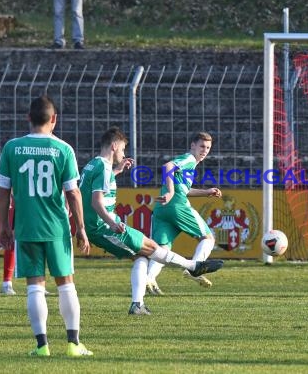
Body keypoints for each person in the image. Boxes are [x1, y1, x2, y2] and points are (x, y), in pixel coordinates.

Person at [79, 127, 223, 315]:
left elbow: (83, 191)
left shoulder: (93, 165)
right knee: (159, 248)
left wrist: (117, 171)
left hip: (101, 225)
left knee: (145, 254)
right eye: (122, 149)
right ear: (114, 146)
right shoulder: (103, 166)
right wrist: (112, 223)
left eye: (208, 147)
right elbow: (96, 201)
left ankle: (138, 304)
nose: (123, 153)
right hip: (105, 226)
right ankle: (193, 266)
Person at [0, 95, 92, 357]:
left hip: (26, 227)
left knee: (34, 286)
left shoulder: (12, 148)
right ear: (54, 120)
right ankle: (73, 344)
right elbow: (73, 193)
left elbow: (4, 192)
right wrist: (81, 227)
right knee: (66, 284)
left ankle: (42, 346)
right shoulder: (63, 149)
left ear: (28, 118)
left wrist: (5, 225)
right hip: (56, 228)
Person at [147, 132, 223, 293]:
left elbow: (185, 189)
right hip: (177, 205)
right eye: (202, 146)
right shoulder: (189, 159)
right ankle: (195, 268)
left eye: (208, 147)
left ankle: (149, 279)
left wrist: (206, 192)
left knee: (162, 249)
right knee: (208, 237)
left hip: (162, 209)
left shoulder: (190, 165)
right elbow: (168, 166)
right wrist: (171, 192)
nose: (205, 150)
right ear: (193, 146)